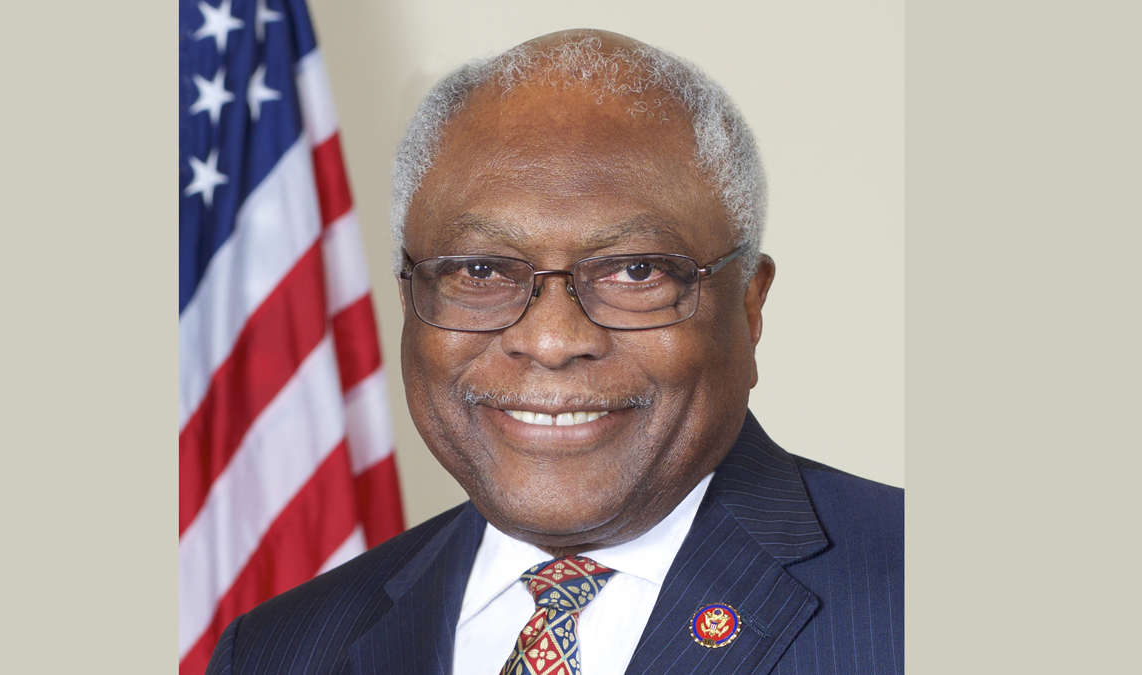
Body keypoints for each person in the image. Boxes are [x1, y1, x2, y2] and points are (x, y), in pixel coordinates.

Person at [208, 28, 903, 674]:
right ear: (410, 301)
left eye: (636, 271)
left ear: (749, 305)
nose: (551, 341)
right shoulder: (276, 652)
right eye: (480, 271)